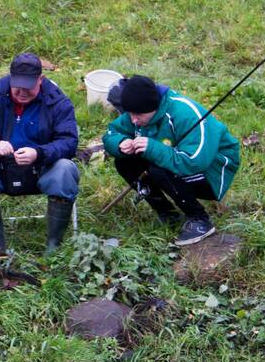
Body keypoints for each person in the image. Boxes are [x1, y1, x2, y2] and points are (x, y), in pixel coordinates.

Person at [102, 75, 240, 246]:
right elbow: (111, 133)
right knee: (125, 162)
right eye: (129, 113)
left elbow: (193, 162)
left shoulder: (185, 113)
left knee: (159, 168)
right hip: (179, 158)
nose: (133, 120)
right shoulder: (140, 111)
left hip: (214, 170)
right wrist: (121, 143)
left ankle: (199, 219)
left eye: (137, 115)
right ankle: (167, 214)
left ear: (153, 107)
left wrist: (153, 148)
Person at [0, 52, 79, 252]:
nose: (22, 92)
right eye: (17, 86)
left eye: (29, 87)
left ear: (40, 80)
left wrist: (39, 153)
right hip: (0, 169)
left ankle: (54, 247)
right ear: (10, 78)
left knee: (66, 169)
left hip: (42, 169)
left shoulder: (57, 101)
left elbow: (69, 143)